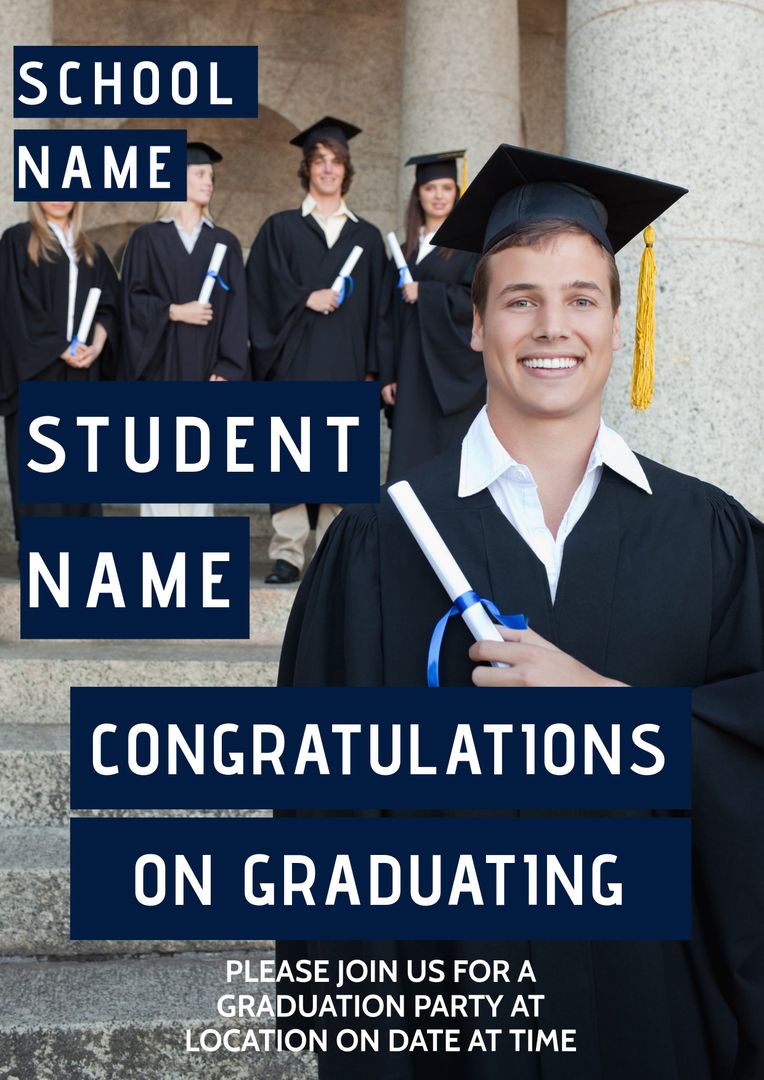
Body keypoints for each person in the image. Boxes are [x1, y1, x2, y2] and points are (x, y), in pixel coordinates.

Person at [278, 145, 764, 1079]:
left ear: (618, 323)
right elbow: (325, 835)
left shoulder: (711, 537)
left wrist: (613, 711)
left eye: (583, 298)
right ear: (475, 327)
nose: (554, 327)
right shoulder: (376, 550)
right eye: (520, 299)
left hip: (658, 1023)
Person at [246, 116, 388, 584]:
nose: (328, 169)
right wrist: (304, 297)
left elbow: (380, 312)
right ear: (306, 169)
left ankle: (331, 553)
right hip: (293, 363)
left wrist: (373, 369)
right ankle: (287, 553)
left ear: (347, 171)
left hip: (346, 364)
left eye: (336, 162)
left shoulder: (366, 238)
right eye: (319, 161)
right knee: (288, 457)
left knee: (339, 458)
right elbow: (259, 290)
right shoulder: (280, 229)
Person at [119, 140, 249, 517]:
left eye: (211, 175)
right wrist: (174, 311)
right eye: (200, 174)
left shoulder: (224, 243)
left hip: (207, 370)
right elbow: (132, 300)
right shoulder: (147, 239)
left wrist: (228, 368)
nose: (209, 182)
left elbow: (237, 311)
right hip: (161, 369)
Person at [0, 201, 119, 542]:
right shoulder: (18, 240)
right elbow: (12, 307)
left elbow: (110, 304)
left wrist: (96, 345)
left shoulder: (89, 249)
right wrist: (59, 346)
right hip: (39, 372)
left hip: (82, 374)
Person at [381, 151, 485, 481]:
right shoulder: (405, 249)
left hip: (452, 373)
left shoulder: (471, 248)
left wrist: (425, 293)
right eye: (430, 189)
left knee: (452, 461)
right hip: (410, 370)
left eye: (445, 188)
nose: (438, 196)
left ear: (456, 192)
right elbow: (386, 318)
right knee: (412, 459)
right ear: (418, 195)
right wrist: (387, 374)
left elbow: (478, 302)